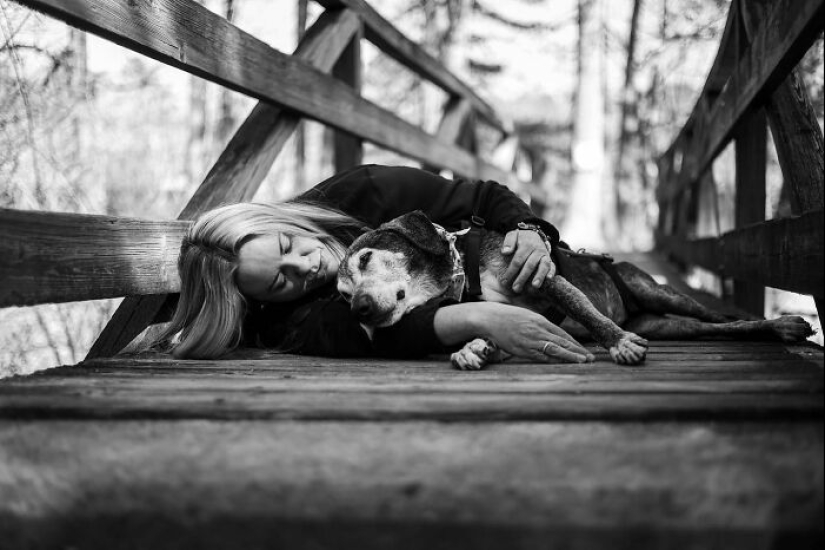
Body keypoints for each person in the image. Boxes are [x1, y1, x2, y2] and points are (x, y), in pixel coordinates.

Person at [160, 164, 592, 363]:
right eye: (280, 282)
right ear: (262, 301)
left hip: (545, 281)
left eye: (288, 243)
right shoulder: (283, 320)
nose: (304, 265)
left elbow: (482, 198)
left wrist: (528, 229)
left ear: (279, 220)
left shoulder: (366, 193)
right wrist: (483, 317)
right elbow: (370, 335)